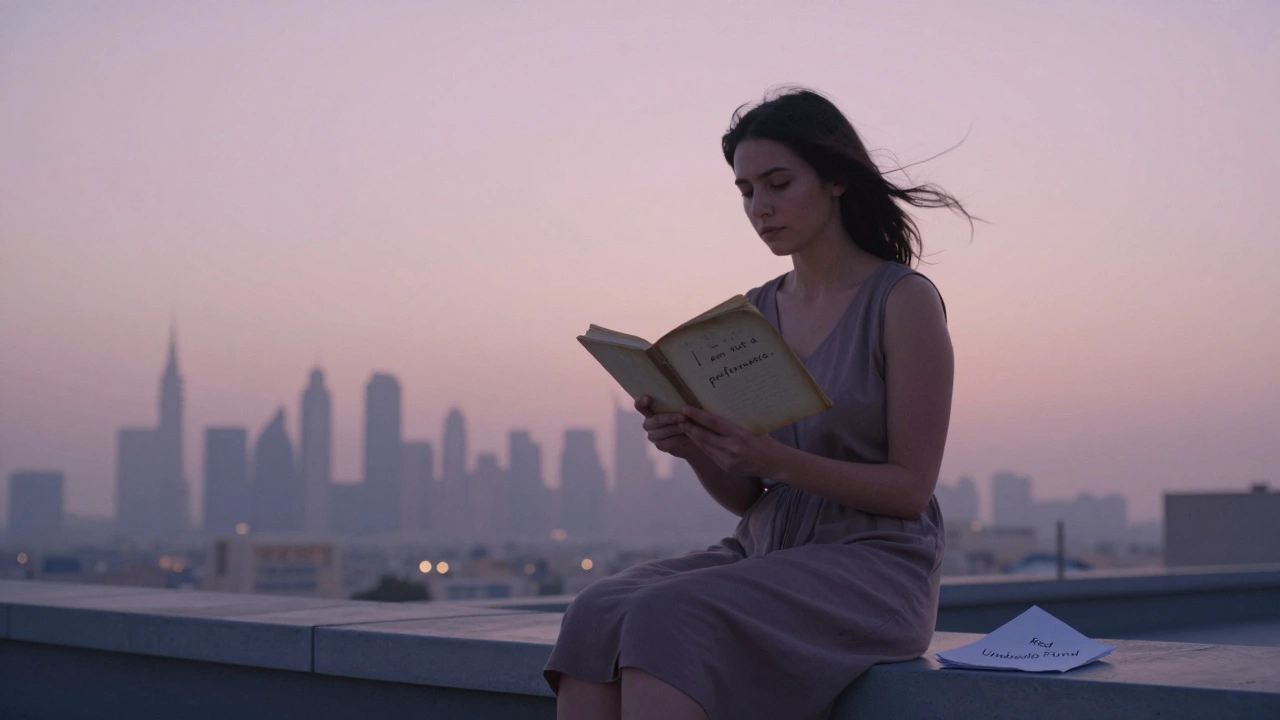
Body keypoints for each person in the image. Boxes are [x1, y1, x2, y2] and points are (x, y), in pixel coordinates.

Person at [543, 86, 972, 720]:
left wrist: (773, 457)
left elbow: (911, 489)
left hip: (875, 567)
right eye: (746, 191)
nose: (760, 207)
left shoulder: (902, 300)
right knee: (596, 612)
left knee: (669, 616)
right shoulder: (757, 312)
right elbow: (748, 497)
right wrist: (696, 447)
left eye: (777, 183)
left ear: (834, 181)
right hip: (766, 550)